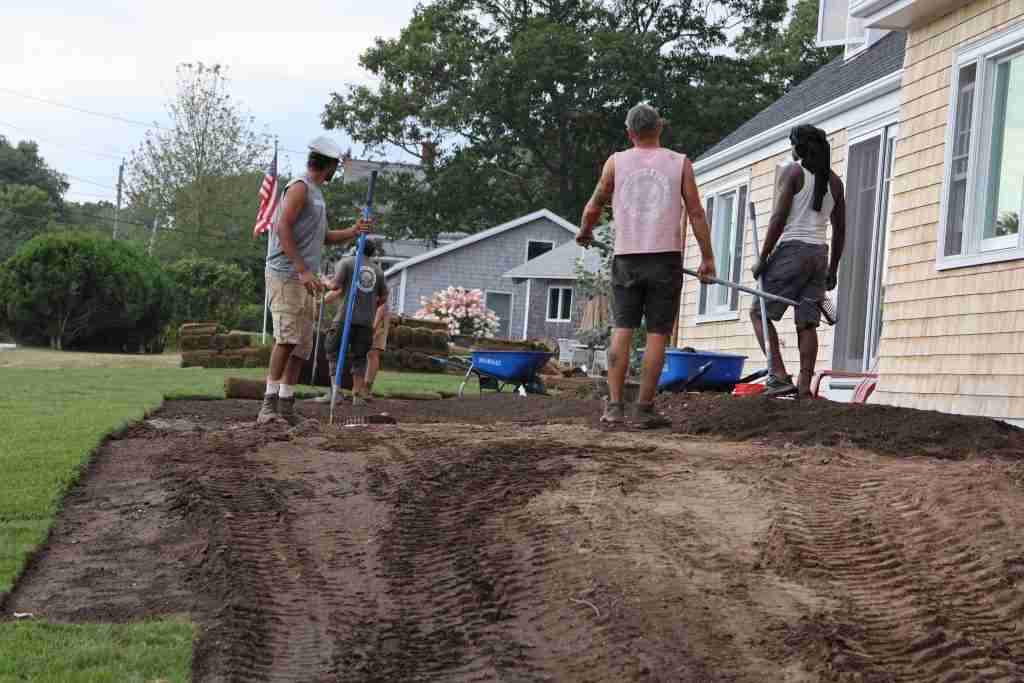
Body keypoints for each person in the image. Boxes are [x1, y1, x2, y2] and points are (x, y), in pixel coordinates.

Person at [577, 103, 716, 427]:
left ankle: (613, 407)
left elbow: (595, 203)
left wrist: (585, 231)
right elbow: (696, 212)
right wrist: (708, 259)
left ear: (630, 133)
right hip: (664, 260)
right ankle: (643, 408)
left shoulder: (616, 162)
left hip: (626, 258)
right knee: (657, 335)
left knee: (621, 331)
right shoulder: (679, 163)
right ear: (660, 128)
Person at [259, 136, 371, 426]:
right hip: (286, 274)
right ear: (329, 165)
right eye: (337, 165)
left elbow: (323, 237)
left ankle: (286, 405)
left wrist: (354, 231)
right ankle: (267, 406)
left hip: (304, 278)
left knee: (301, 346)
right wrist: (302, 270)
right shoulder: (299, 188)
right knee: (286, 339)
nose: (336, 171)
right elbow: (282, 226)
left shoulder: (317, 194)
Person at [751, 124, 846, 398]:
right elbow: (840, 230)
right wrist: (833, 269)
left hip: (793, 252)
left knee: (759, 312)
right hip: (819, 256)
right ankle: (804, 388)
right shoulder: (836, 183)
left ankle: (778, 375)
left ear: (798, 148)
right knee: (807, 322)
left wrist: (763, 257)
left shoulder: (793, 172)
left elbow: (778, 219)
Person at [322, 238, 389, 407]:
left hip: (345, 318)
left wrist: (324, 280)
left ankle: (336, 393)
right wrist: (370, 306)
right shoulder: (378, 271)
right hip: (366, 321)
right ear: (372, 252)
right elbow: (384, 297)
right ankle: (357, 395)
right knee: (360, 358)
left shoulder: (346, 262)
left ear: (356, 248)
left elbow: (335, 286)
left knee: (332, 351)